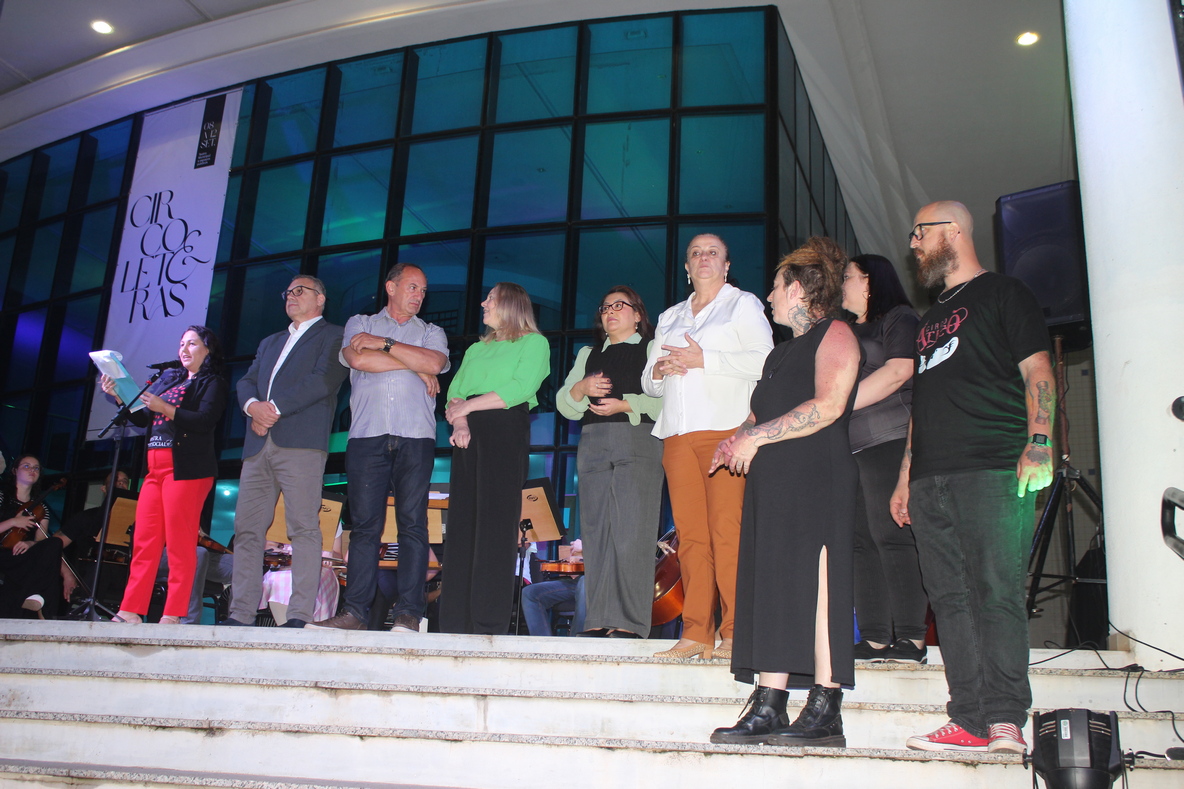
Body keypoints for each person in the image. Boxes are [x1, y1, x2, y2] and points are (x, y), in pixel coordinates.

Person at [891, 201, 1054, 754]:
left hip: (992, 467)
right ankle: (968, 718)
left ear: (954, 230)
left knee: (995, 592)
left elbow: (1037, 369)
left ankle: (1006, 718)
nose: (913, 243)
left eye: (920, 232)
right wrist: (905, 474)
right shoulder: (929, 320)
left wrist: (1039, 441)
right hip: (929, 478)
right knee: (949, 599)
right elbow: (922, 403)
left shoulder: (1005, 293)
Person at [710, 237, 861, 748]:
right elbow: (760, 414)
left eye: (776, 287)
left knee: (818, 583)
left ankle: (826, 707)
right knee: (773, 584)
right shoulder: (780, 352)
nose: (770, 296)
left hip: (817, 475)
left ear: (797, 289)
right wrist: (735, 438)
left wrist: (755, 438)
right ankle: (770, 703)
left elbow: (829, 405)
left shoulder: (835, 333)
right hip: (775, 482)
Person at [642, 234, 773, 659]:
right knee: (691, 539)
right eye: (696, 253)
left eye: (713, 252)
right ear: (686, 267)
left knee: (727, 532)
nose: (704, 258)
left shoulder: (743, 304)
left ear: (726, 265)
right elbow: (648, 382)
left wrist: (705, 360)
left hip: (725, 433)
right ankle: (696, 632)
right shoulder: (670, 316)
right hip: (676, 435)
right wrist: (659, 370)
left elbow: (765, 360)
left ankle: (735, 633)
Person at [308, 263, 448, 632]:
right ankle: (355, 612)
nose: (419, 295)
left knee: (413, 525)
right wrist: (415, 366)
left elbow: (435, 362)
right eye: (413, 287)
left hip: (416, 436)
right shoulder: (360, 323)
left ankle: (409, 614)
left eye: (423, 290)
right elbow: (358, 359)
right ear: (391, 287)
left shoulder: (432, 332)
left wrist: (386, 346)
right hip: (367, 436)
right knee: (365, 528)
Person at [223, 274, 348, 629]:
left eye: (300, 291)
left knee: (304, 528)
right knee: (248, 530)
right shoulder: (270, 342)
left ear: (320, 299)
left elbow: (323, 380)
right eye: (288, 292)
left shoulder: (334, 335)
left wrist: (272, 409)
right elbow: (246, 381)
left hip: (301, 444)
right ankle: (240, 614)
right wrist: (252, 407)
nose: (291, 296)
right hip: (258, 446)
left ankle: (298, 615)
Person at [441, 282, 549, 635]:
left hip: (504, 429)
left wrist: (467, 408)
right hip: (467, 434)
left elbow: (520, 388)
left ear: (511, 305)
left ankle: (487, 623)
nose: (483, 303)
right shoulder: (476, 348)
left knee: (495, 527)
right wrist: (460, 422)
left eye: (491, 298)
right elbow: (454, 393)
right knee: (461, 525)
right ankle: (454, 623)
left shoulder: (534, 343)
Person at [101, 325, 228, 625]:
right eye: (181, 343)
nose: (184, 349)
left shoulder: (213, 383)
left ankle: (174, 612)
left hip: (186, 470)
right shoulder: (170, 379)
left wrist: (165, 408)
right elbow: (143, 417)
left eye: (192, 343)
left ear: (208, 350)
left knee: (180, 543)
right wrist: (119, 396)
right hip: (154, 469)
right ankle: (130, 610)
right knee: (144, 541)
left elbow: (204, 420)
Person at [557, 286, 662, 639]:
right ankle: (598, 619)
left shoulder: (652, 348)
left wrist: (626, 404)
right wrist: (581, 388)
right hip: (592, 443)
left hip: (638, 439)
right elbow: (565, 405)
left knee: (632, 532)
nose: (610, 312)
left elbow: (670, 401)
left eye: (619, 306)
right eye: (605, 307)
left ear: (638, 315)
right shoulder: (588, 354)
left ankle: (629, 622)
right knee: (596, 533)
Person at [841, 254, 928, 663]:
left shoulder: (898, 318)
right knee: (860, 543)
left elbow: (900, 370)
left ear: (870, 281)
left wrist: (839, 404)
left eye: (848, 276)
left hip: (888, 439)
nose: (842, 284)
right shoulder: (842, 330)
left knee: (893, 536)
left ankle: (911, 636)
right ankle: (874, 636)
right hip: (848, 448)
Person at [0, 454, 64, 619]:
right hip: (2, 553)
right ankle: (30, 599)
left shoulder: (41, 508)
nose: (32, 470)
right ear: (14, 471)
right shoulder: (1, 498)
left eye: (36, 468)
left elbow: (40, 540)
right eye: (26, 466)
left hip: (21, 555)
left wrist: (30, 543)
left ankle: (43, 607)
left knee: (55, 543)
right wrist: (14, 521)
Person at [521, 540, 587, 637]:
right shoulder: (588, 533)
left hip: (601, 585)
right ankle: (543, 644)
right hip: (577, 582)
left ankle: (577, 641)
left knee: (584, 583)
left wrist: (585, 548)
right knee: (530, 593)